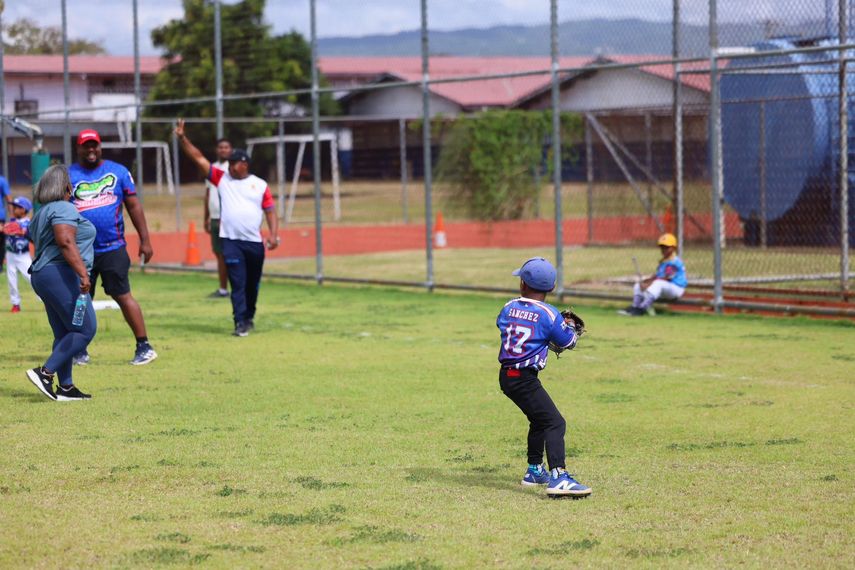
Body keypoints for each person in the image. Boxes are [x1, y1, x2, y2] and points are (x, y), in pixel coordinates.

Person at [496, 257, 592, 498]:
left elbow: (510, 326)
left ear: (522, 285)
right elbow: (568, 342)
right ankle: (559, 477)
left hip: (508, 376)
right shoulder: (549, 314)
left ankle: (535, 470)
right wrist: (568, 326)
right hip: (524, 378)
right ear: (550, 288)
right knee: (555, 422)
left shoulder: (508, 306)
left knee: (539, 420)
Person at [175, 119, 279, 336]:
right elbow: (198, 158)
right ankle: (239, 322)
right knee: (238, 284)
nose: (230, 166)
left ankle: (249, 316)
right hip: (230, 242)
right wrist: (183, 138)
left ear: (245, 164)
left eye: (235, 163)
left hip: (254, 243)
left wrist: (273, 235)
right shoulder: (222, 179)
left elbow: (270, 211)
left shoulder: (260, 185)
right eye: (229, 163)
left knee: (252, 285)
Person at [68, 129, 157, 365]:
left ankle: (144, 345)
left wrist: (145, 239)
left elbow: (134, 207)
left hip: (112, 247)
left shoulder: (118, 172)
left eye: (94, 145)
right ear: (78, 148)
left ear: (100, 147)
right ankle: (78, 349)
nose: (90, 150)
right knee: (80, 298)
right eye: (86, 146)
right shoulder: (68, 175)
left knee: (122, 294)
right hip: (81, 251)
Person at [25, 165, 96, 401]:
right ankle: (45, 373)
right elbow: (65, 241)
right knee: (85, 329)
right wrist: (83, 274)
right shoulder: (65, 207)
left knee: (65, 331)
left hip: (44, 274)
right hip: (60, 273)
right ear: (66, 187)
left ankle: (66, 387)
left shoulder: (42, 211)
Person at [619, 233, 687, 316]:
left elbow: (666, 278)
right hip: (665, 288)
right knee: (639, 285)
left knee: (658, 284)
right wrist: (646, 282)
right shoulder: (664, 261)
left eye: (667, 247)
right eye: (662, 247)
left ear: (673, 248)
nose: (663, 249)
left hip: (676, 288)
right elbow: (658, 276)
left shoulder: (675, 262)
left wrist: (649, 284)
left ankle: (641, 309)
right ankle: (635, 307)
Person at [205, 137, 233, 298]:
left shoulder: (233, 169)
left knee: (230, 254)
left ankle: (235, 287)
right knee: (219, 254)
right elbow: (208, 193)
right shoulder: (212, 168)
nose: (223, 150)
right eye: (220, 147)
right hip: (215, 218)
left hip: (228, 219)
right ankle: (223, 289)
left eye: (226, 147)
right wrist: (206, 217)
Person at [5, 196, 34, 313]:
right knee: (11, 280)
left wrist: (21, 231)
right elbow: (7, 229)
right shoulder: (12, 221)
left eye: (16, 207)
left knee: (32, 278)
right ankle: (15, 304)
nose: (13, 209)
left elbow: (29, 233)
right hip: (10, 254)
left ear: (23, 210)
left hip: (23, 256)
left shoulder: (28, 222)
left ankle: (47, 299)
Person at [0, 172, 12, 271]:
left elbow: (8, 198)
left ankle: (0, 266)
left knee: (1, 241)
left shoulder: (2, 180)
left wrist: (12, 217)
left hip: (0, 217)